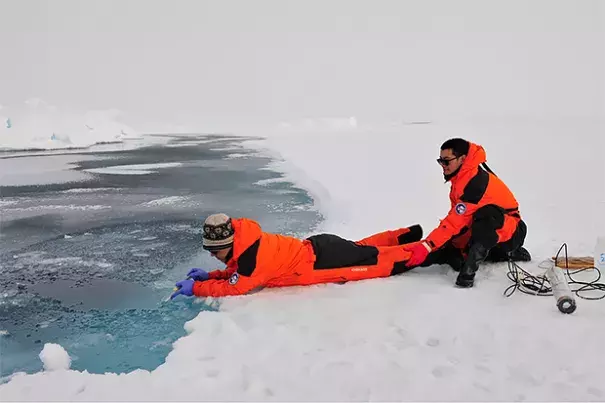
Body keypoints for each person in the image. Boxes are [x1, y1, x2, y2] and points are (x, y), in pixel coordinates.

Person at [170, 213, 423, 298]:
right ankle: (403, 235)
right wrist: (210, 275)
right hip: (321, 247)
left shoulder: (251, 260)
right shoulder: (248, 244)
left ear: (229, 242)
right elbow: (237, 273)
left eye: (215, 251)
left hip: (323, 260)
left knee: (378, 261)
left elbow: (236, 287)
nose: (213, 256)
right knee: (361, 249)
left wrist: (197, 288)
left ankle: (431, 250)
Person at [402, 138, 531, 288]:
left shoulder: (474, 184)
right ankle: (499, 254)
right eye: (440, 161)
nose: (443, 166)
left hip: (512, 230)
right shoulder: (461, 179)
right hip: (494, 232)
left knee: (486, 216)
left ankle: (469, 273)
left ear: (462, 159)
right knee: (452, 251)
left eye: (446, 161)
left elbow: (455, 221)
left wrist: (428, 245)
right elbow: (460, 220)